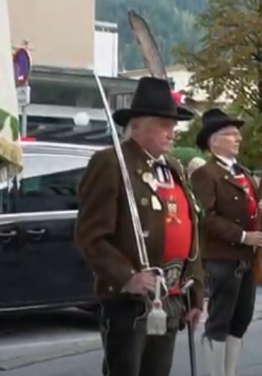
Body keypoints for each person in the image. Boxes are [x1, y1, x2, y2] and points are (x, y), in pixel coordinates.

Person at [75, 77, 204, 376]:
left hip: (171, 297)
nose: (172, 133)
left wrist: (196, 291)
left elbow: (192, 229)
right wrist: (127, 276)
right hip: (129, 302)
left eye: (173, 125)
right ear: (137, 126)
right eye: (163, 124)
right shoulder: (110, 163)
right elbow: (90, 235)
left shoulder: (174, 168)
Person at [190, 109, 262, 376]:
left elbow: (250, 208)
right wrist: (242, 236)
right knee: (220, 321)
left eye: (238, 134)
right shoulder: (207, 173)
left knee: (240, 321)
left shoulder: (244, 172)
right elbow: (207, 218)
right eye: (230, 134)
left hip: (247, 257)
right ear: (213, 141)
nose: (238, 139)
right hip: (222, 257)